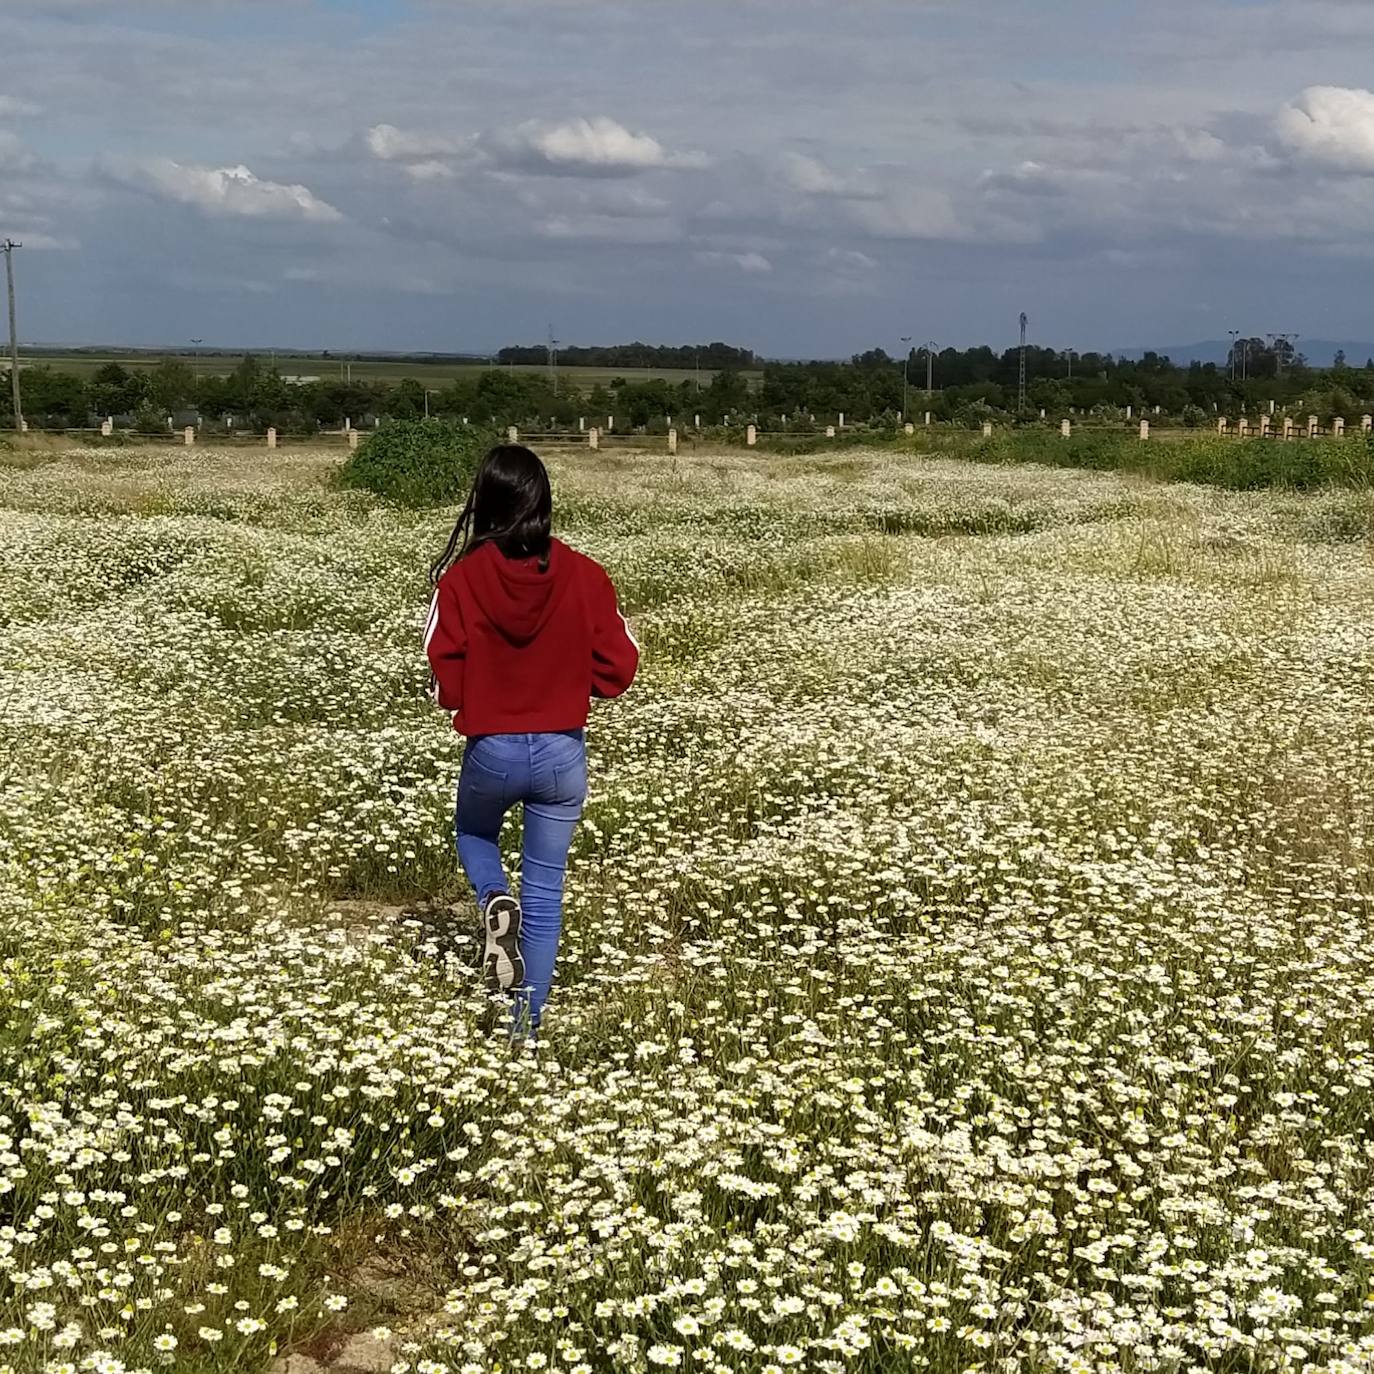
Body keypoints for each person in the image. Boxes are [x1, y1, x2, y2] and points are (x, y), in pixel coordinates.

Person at [425, 444, 638, 1038]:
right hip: (562, 751)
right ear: (544, 502)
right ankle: (527, 1028)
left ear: (485, 504)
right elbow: (620, 667)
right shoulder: (586, 574)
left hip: (492, 747)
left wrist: (471, 698)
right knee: (545, 890)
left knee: (472, 831)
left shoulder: (461, 580)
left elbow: (442, 668)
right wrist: (576, 683)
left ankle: (494, 896)